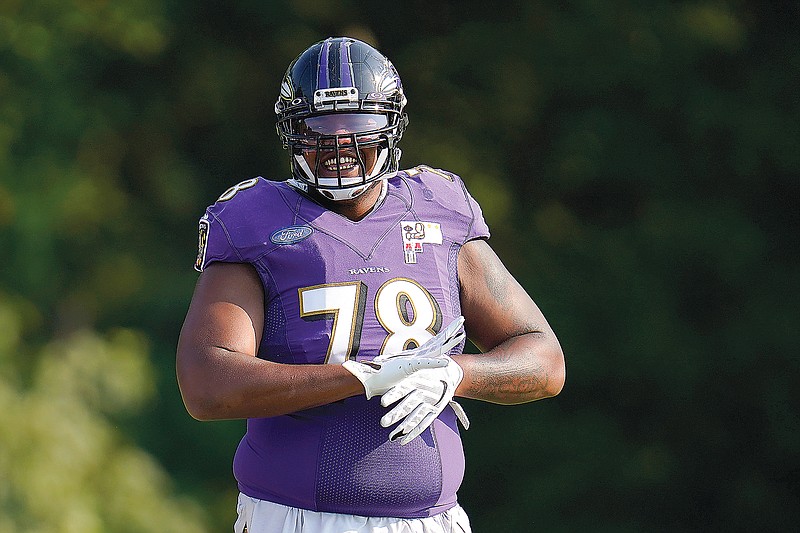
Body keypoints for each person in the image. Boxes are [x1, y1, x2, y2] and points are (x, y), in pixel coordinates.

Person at [176, 36, 565, 533]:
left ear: (390, 128)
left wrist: (454, 373)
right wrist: (361, 377)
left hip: (433, 521)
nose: (338, 146)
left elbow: (546, 360)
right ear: (291, 135)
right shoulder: (256, 220)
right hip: (301, 519)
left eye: (357, 127)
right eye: (319, 129)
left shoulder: (439, 208)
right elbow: (207, 384)